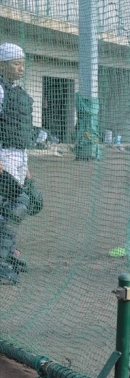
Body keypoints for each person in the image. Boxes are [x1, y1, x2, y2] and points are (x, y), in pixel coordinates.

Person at [0, 43, 43, 285]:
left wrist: (25, 166)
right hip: (3, 153)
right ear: (2, 65)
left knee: (17, 205)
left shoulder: (17, 91)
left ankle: (8, 252)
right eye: (16, 63)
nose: (21, 68)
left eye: (22, 64)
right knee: (13, 205)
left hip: (18, 155)